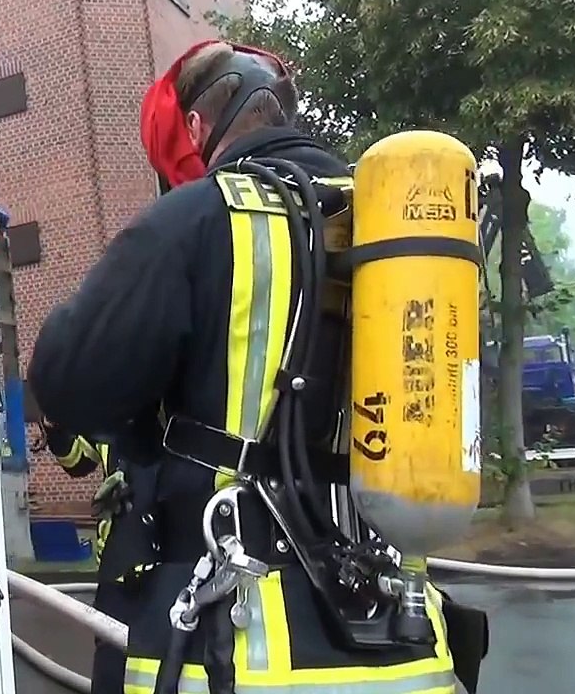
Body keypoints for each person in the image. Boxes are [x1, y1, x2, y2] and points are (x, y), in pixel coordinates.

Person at [27, 40, 487, 694]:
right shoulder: (393, 232)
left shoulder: (195, 220)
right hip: (406, 644)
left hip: (235, 651)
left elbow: (67, 381)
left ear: (195, 128)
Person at [37, 421, 159, 694]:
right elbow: (78, 461)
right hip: (120, 567)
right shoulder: (109, 399)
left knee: (163, 660)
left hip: (175, 560)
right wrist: (57, 425)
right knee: (111, 668)